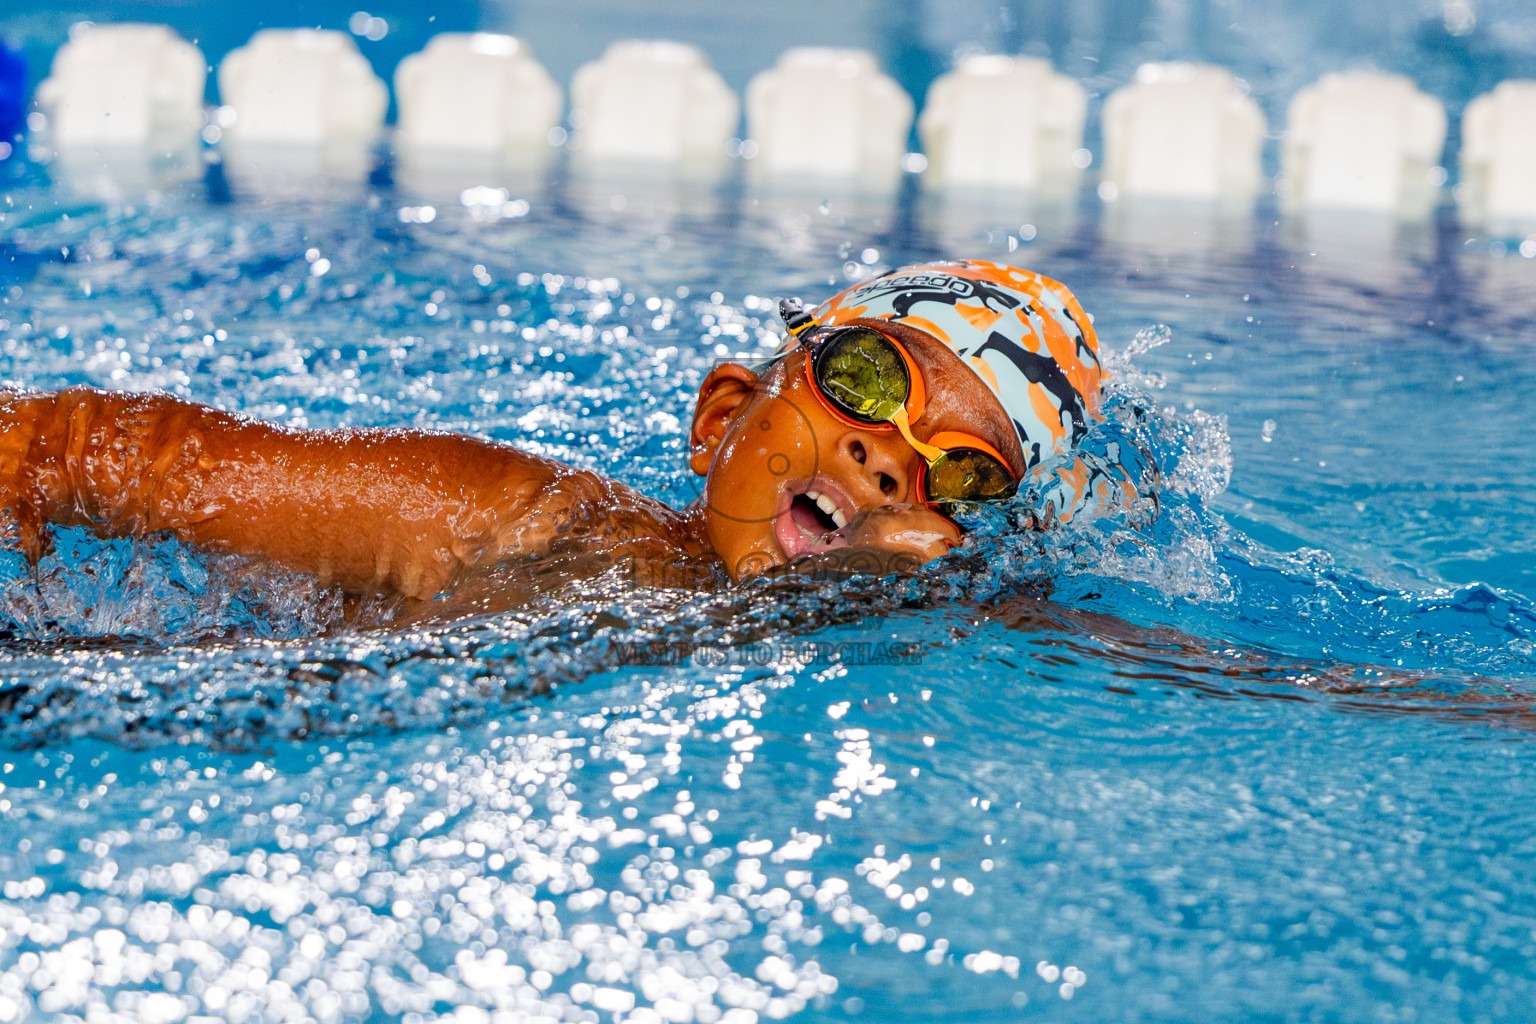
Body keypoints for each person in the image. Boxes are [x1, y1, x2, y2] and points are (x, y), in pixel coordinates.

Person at [0, 260, 1131, 616]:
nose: (896, 461)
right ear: (722, 418)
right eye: (868, 381)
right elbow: (105, 452)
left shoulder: (953, 634)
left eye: (964, 475)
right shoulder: (509, 516)